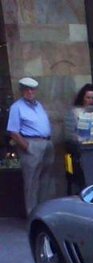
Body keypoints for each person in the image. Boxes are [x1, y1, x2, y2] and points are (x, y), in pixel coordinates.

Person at [6, 77, 54, 215]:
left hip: (46, 143)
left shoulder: (38, 105)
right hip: (32, 144)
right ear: (22, 90)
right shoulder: (17, 107)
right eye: (26, 89)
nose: (30, 91)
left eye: (32, 89)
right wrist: (27, 147)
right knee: (31, 183)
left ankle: (44, 213)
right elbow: (13, 131)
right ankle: (32, 215)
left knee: (46, 181)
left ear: (36, 90)